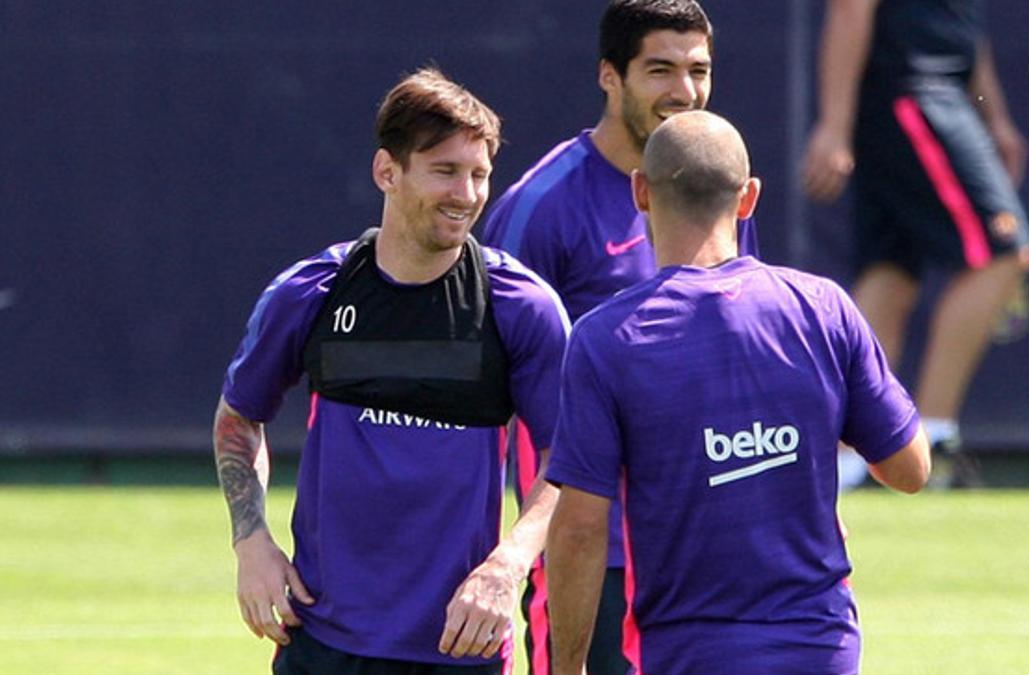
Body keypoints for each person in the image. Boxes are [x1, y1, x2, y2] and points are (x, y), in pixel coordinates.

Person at [544, 110, 930, 674]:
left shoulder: (606, 338)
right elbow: (909, 469)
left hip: (688, 652)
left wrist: (568, 667)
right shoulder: (822, 309)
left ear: (641, 192)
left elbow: (579, 528)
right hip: (820, 646)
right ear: (748, 198)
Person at [213, 68, 570, 674]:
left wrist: (507, 567)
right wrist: (251, 541)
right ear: (388, 171)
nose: (467, 193)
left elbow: (572, 461)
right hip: (323, 644)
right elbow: (238, 419)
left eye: (479, 174)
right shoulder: (312, 294)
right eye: (445, 171)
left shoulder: (520, 307)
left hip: (462, 649)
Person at [479, 2, 757, 672]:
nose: (684, 92)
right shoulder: (541, 205)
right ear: (611, 76)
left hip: (700, 538)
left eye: (698, 70)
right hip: (586, 548)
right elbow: (488, 380)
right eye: (659, 69)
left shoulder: (714, 184)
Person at [801, 0, 1029, 487]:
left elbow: (967, 26)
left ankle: (847, 457)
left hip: (931, 93)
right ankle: (928, 439)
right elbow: (850, 10)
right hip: (912, 91)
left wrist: (995, 119)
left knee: (891, 271)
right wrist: (834, 126)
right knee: (1004, 252)